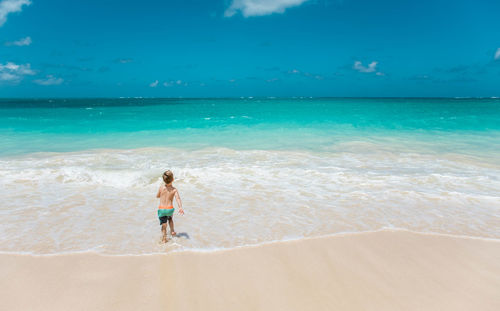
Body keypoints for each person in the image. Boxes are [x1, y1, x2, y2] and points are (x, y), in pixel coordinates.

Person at [156, 170, 184, 243]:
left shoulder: (161, 188)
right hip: (170, 209)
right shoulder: (174, 189)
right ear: (173, 179)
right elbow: (178, 198)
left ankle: (164, 239)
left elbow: (157, 196)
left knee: (164, 225)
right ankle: (172, 231)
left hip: (161, 210)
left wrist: (161, 194)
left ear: (163, 179)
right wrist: (180, 207)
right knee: (170, 219)